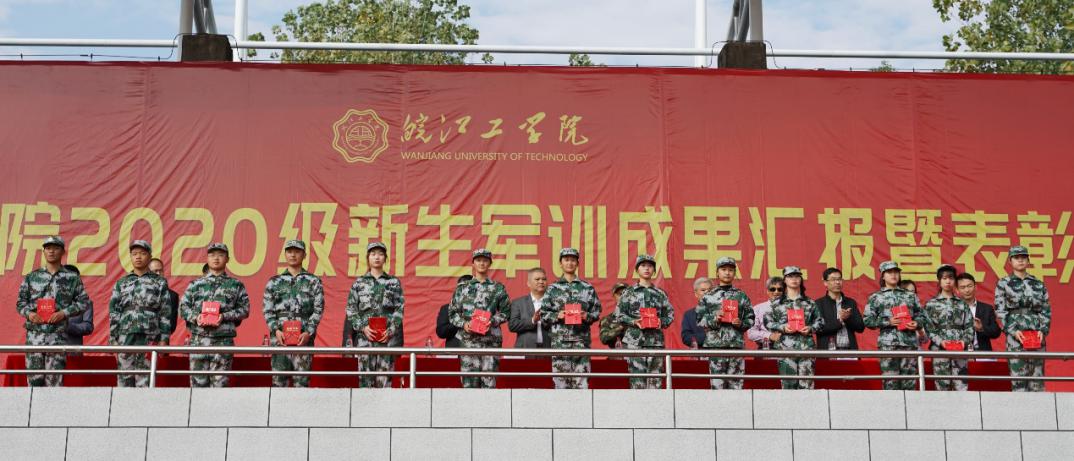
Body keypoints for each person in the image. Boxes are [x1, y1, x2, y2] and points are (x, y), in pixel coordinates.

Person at [16, 236, 90, 386]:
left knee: (54, 384)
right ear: (43, 251)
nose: (51, 251)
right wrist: (30, 314)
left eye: (55, 248)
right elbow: (20, 303)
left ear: (63, 251)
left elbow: (83, 302)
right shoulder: (32, 277)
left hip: (58, 337)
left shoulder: (72, 278)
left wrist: (64, 313)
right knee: (34, 383)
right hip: (35, 337)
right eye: (48, 248)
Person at [179, 243, 251, 387]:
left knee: (219, 388)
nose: (216, 258)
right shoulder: (195, 284)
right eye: (212, 255)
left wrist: (224, 316)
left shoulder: (236, 285)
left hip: (223, 341)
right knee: (197, 388)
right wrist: (196, 317)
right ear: (207, 258)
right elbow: (183, 308)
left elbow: (245, 309)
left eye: (220, 255)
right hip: (199, 341)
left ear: (227, 259)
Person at [109, 240, 172, 387]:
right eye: (134, 254)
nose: (138, 257)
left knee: (145, 380)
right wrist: (113, 337)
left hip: (149, 336)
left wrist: (164, 339)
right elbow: (114, 311)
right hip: (125, 336)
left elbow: (165, 311)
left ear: (149, 256)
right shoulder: (121, 282)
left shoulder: (159, 282)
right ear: (130, 257)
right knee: (124, 380)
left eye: (143, 253)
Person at [263, 240, 325, 388]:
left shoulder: (313, 281)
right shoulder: (274, 282)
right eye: (289, 251)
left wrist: (308, 332)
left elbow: (318, 309)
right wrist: (276, 330)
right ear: (285, 254)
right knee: (278, 384)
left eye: (297, 252)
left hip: (303, 339)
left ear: (304, 255)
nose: (293, 255)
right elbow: (268, 310)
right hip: (280, 340)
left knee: (302, 384)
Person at [448, 248, 510, 388]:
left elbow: (506, 312)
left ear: (490, 264)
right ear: (473, 264)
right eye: (478, 260)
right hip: (469, 342)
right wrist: (464, 324)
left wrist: (492, 321)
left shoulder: (498, 288)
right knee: (469, 384)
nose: (482, 263)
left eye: (485, 261)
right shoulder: (462, 288)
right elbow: (452, 313)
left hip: (490, 343)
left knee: (489, 384)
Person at [346, 242, 405, 388]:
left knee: (384, 383)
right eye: (373, 254)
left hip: (386, 339)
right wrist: (362, 327)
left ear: (385, 258)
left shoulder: (393, 282)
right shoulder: (359, 283)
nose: (377, 257)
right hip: (365, 338)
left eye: (380, 254)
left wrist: (391, 330)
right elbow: (351, 309)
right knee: (365, 382)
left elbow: (399, 308)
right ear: (368, 258)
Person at [543, 248, 603, 389]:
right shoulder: (552, 288)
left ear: (577, 263)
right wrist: (557, 315)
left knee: (581, 383)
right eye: (566, 260)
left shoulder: (587, 288)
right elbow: (544, 313)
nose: (570, 263)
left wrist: (586, 316)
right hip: (560, 342)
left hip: (581, 341)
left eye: (573, 260)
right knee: (560, 384)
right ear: (560, 263)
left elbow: (597, 311)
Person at [995, 245, 1051, 392]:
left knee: (1037, 381)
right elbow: (1000, 311)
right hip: (1016, 337)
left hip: (1036, 335)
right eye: (1016, 258)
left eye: (1023, 257)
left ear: (1028, 260)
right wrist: (1012, 331)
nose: (1020, 260)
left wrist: (1043, 330)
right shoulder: (1003, 283)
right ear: (1010, 261)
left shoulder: (1038, 284)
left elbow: (1045, 309)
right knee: (1018, 381)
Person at [614, 254, 674, 389]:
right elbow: (618, 314)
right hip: (635, 343)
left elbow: (669, 315)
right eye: (643, 266)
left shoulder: (660, 293)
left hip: (655, 342)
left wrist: (660, 322)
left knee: (655, 382)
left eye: (650, 266)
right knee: (637, 382)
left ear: (654, 270)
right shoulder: (628, 292)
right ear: (637, 270)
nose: (647, 269)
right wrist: (634, 321)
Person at [864, 261, 924, 390]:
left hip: (909, 344)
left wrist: (917, 323)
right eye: (889, 272)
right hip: (888, 345)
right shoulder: (876, 297)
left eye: (896, 272)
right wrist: (888, 321)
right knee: (890, 382)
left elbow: (922, 316)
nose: (893, 275)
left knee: (909, 382)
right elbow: (868, 320)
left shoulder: (910, 295)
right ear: (883, 276)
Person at [695, 257, 754, 389]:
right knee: (717, 387)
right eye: (723, 269)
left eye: (731, 270)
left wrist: (740, 323)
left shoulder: (742, 296)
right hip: (716, 347)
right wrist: (714, 318)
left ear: (734, 273)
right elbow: (699, 320)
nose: (727, 273)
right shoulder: (708, 296)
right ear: (717, 273)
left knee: (736, 387)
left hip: (735, 346)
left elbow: (750, 319)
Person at [765, 266, 822, 389]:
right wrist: (782, 327)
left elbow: (820, 322)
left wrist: (810, 328)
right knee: (788, 387)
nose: (794, 279)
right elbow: (767, 322)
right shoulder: (776, 303)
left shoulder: (810, 302)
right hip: (785, 349)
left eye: (797, 276)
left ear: (801, 279)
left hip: (806, 349)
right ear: (785, 280)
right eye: (790, 276)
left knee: (807, 387)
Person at [922, 264, 974, 391]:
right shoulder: (931, 304)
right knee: (942, 386)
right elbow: (929, 328)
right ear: (939, 281)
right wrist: (941, 341)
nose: (948, 281)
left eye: (951, 278)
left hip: (959, 349)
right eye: (944, 278)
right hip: (939, 350)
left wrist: (964, 341)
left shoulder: (962, 304)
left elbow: (969, 326)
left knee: (961, 386)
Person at [814, 268, 864, 350]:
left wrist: (848, 319)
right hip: (828, 351)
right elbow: (818, 328)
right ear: (825, 283)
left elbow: (860, 327)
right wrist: (840, 321)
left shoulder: (850, 302)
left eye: (839, 279)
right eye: (833, 279)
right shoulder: (819, 304)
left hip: (849, 350)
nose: (837, 282)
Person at [955, 272, 1001, 351]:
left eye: (969, 286)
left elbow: (996, 332)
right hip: (960, 353)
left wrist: (982, 328)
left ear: (975, 287)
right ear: (957, 290)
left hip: (982, 352)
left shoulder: (987, 309)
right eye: (963, 287)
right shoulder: (953, 309)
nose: (967, 290)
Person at [508, 268, 551, 349]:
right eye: (537, 279)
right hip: (525, 348)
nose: (541, 282)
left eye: (544, 279)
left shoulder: (553, 303)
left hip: (549, 348)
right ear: (529, 283)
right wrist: (532, 320)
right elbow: (512, 325)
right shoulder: (518, 303)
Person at [148, 258, 179, 345]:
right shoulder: (139, 291)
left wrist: (162, 338)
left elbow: (172, 324)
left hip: (161, 342)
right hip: (140, 341)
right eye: (155, 271)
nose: (158, 274)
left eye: (160, 271)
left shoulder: (172, 295)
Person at [747, 277, 784, 350]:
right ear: (767, 291)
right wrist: (769, 336)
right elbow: (751, 333)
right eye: (772, 289)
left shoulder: (791, 308)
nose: (776, 292)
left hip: (787, 350)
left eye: (780, 289)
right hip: (766, 348)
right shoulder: (758, 309)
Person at [435, 275, 471, 348]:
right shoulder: (448, 308)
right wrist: (460, 323)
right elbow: (441, 332)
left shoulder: (483, 308)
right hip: (455, 350)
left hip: (477, 350)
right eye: (462, 288)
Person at [63, 264, 94, 347]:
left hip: (72, 350)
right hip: (50, 349)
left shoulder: (85, 302)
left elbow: (88, 327)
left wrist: (68, 327)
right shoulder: (49, 300)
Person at [679, 277, 712, 349]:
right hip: (699, 353)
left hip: (719, 353)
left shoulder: (720, 312)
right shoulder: (689, 315)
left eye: (709, 290)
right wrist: (709, 337)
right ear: (696, 294)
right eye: (703, 290)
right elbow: (686, 337)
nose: (707, 292)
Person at [598, 283, 629, 348]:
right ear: (614, 296)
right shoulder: (608, 319)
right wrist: (621, 327)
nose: (623, 296)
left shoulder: (638, 317)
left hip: (636, 353)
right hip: (617, 353)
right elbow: (604, 338)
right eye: (620, 294)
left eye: (626, 294)